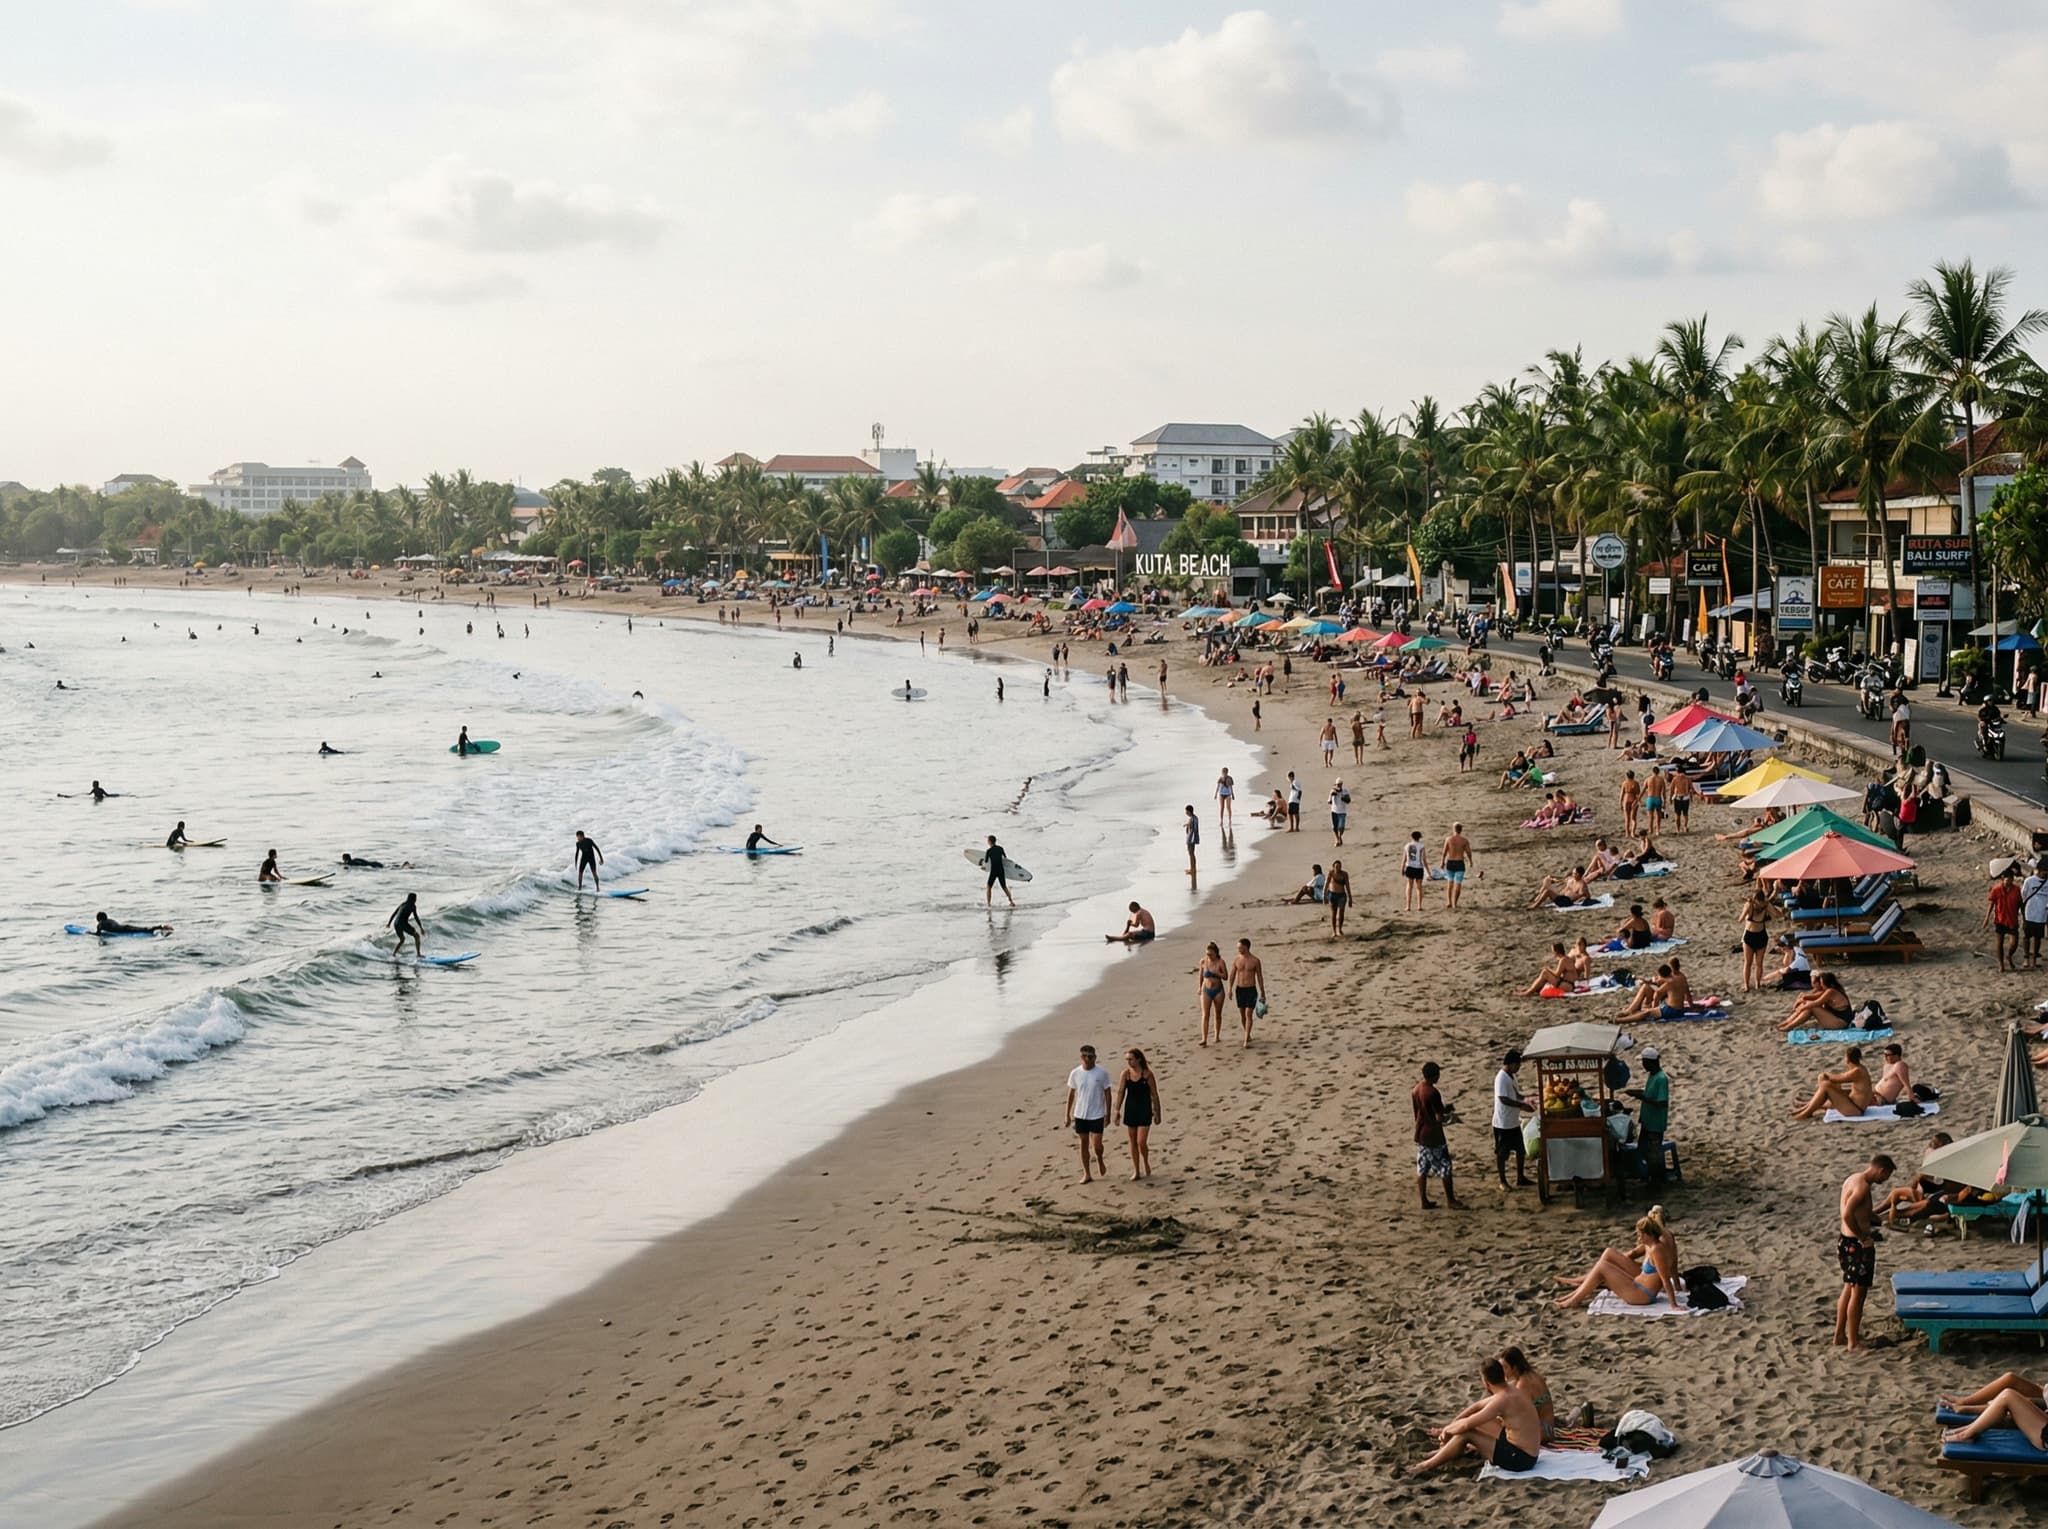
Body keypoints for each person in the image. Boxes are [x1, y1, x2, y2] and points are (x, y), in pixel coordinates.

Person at [1404, 1357, 1542, 1477]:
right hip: (1525, 1449)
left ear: (1485, 1382)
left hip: (1520, 1459)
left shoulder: (1502, 1400)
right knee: (1476, 1422)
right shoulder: (1510, 1390)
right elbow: (1476, 1407)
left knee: (1467, 1433)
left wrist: (1446, 1431)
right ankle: (1444, 1451)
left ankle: (1425, 1465)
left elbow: (1466, 1425)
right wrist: (1448, 1427)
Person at [1553, 1207, 1683, 1309]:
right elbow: (1632, 1254)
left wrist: (1674, 1305)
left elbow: (1665, 1279)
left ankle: (1574, 1299)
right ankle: (1572, 1295)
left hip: (1642, 1295)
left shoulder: (1657, 1249)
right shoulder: (1650, 1245)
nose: (1638, 1238)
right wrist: (1615, 1267)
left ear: (1649, 1233)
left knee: (1603, 1267)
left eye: (1640, 1235)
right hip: (1638, 1284)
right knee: (1605, 1262)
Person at [1837, 1155, 1896, 1349]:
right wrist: (1863, 1237)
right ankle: (1853, 1343)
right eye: (1885, 1177)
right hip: (1857, 1245)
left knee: (1849, 1286)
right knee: (1858, 1293)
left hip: (1845, 1241)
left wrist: (1877, 1219)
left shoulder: (1853, 1178)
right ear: (1881, 1171)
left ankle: (1839, 1336)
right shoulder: (1862, 1187)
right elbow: (1847, 1214)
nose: (1884, 1181)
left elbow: (1860, 1212)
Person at [1412, 1061, 1461, 1210]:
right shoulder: (1433, 1092)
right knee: (1445, 1167)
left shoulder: (1416, 1089)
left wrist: (1444, 1110)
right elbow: (1439, 1117)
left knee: (1422, 1167)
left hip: (1420, 1133)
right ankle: (1451, 1200)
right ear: (1434, 1076)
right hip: (1433, 1135)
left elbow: (1425, 1110)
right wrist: (1452, 1118)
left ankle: (1424, 1200)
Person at [1064, 1045, 1113, 1185]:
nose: (1088, 1059)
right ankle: (1087, 1173)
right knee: (1083, 1143)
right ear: (1081, 1057)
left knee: (1097, 1145)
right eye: (1085, 1056)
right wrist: (1067, 1114)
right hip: (1080, 1114)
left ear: (1095, 1057)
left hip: (1097, 1114)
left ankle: (1099, 1158)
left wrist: (1108, 1114)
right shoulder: (1075, 1073)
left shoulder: (1102, 1073)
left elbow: (1108, 1094)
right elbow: (1071, 1094)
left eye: (1091, 1056)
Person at [1627, 1048, 1670, 1190]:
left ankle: (1657, 1180)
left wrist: (1642, 1097)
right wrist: (1638, 1093)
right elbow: (1650, 1094)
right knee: (1643, 1150)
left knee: (1654, 1153)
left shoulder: (1661, 1078)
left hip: (1655, 1122)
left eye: (1644, 1062)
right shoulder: (1652, 1076)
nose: (1643, 1065)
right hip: (1647, 1121)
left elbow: (1662, 1102)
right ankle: (1652, 1176)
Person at [1792, 1045, 1875, 1120]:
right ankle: (1807, 1107)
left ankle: (1805, 1113)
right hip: (1853, 1104)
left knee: (1825, 1086)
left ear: (1847, 1059)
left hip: (1855, 1110)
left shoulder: (1857, 1071)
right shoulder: (1860, 1068)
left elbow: (1838, 1078)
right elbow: (1839, 1079)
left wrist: (1824, 1075)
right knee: (1829, 1085)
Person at [1114, 1048, 1160, 1181]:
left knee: (1141, 1142)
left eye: (1131, 1059)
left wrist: (1157, 1112)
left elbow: (1154, 1094)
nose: (1129, 1062)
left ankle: (1145, 1161)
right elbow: (1121, 1092)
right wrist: (1117, 1110)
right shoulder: (1126, 1074)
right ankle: (1136, 1170)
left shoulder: (1147, 1075)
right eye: (1127, 1059)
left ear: (1138, 1059)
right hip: (1131, 1110)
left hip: (1144, 1110)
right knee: (1133, 1142)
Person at [1492, 1049, 1534, 1189]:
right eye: (1517, 1065)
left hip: (1513, 1121)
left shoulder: (1511, 1076)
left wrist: (1527, 1100)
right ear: (1510, 1064)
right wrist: (1521, 1105)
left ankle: (1520, 1177)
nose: (1518, 1068)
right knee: (1502, 1153)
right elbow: (1503, 1099)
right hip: (1503, 1123)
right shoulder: (1501, 1078)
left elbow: (1515, 1094)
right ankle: (1502, 1181)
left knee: (1520, 1149)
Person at [1774, 970, 1853, 1033]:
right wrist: (1801, 1002)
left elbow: (1816, 1003)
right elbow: (1809, 997)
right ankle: (1787, 1023)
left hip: (1841, 1023)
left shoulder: (1831, 991)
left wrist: (1800, 1008)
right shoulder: (1830, 990)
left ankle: (1789, 1026)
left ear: (1828, 984)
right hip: (1836, 1019)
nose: (1821, 986)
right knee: (1809, 1005)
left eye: (1822, 984)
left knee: (1812, 1007)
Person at [1985, 863, 2023, 973]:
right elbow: (1991, 903)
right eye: (2007, 880)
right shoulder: (1996, 889)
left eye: (2011, 880)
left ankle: (2009, 956)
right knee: (1999, 943)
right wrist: (1987, 918)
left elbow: (2020, 903)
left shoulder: (2016, 890)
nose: (2009, 882)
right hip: (2000, 919)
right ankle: (2001, 964)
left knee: (2014, 943)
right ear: (2003, 879)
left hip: (2012, 919)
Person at [1229, 938, 1265, 1048]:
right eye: (1238, 947)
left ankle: (1245, 1039)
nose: (1238, 949)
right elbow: (1232, 975)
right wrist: (1230, 989)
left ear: (1246, 947)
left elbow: (1259, 976)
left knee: (1248, 1013)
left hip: (1251, 990)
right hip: (1240, 989)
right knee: (1242, 1014)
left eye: (1240, 947)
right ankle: (1247, 1034)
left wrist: (1262, 992)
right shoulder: (1236, 960)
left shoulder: (1255, 960)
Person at [1739, 886, 1776, 992]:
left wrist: (1769, 906)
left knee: (1758, 963)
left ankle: (1757, 984)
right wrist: (1747, 910)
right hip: (1751, 936)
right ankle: (1747, 984)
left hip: (1760, 935)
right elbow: (1740, 919)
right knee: (1749, 962)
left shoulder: (1765, 905)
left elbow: (1776, 915)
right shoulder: (1750, 905)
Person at [1196, 941, 1230, 1046]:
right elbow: (1201, 976)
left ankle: (1217, 1036)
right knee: (1205, 1014)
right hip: (1206, 989)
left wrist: (1217, 973)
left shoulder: (1221, 962)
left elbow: (1225, 977)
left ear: (1215, 953)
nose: (1209, 956)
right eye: (1207, 954)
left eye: (1210, 954)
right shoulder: (1203, 961)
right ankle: (1204, 1038)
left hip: (1218, 990)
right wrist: (1199, 987)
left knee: (1217, 1013)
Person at [1440, 823, 1473, 909]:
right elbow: (1468, 852)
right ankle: (1455, 903)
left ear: (1453, 829)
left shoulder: (1448, 839)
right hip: (1459, 862)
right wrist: (1470, 861)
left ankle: (1449, 901)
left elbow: (1444, 852)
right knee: (1458, 883)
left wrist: (1442, 861)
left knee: (1450, 882)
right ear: (1461, 830)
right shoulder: (1464, 840)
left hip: (1450, 862)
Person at [2023, 857, 2048, 972]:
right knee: (2027, 937)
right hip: (2029, 913)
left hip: (2041, 915)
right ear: (2039, 870)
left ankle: (2035, 959)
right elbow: (2024, 895)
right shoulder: (2029, 881)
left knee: (2038, 938)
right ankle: (2026, 957)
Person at [385, 891, 424, 960]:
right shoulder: (412, 906)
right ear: (413, 899)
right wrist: (421, 927)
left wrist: (389, 923)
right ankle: (418, 954)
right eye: (415, 898)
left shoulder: (403, 904)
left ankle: (394, 954)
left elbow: (394, 914)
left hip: (396, 924)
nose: (416, 900)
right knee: (417, 936)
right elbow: (416, 917)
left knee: (402, 940)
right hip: (402, 923)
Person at [1400, 830, 1430, 911]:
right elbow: (1424, 860)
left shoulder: (1407, 846)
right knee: (1419, 887)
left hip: (1409, 867)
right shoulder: (1421, 846)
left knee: (1409, 886)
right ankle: (1419, 906)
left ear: (1411, 837)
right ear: (1419, 838)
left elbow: (1404, 859)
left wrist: (1402, 869)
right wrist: (1428, 872)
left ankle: (1408, 906)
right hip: (1419, 868)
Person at [983, 834, 1014, 908]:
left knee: (989, 886)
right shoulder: (1000, 848)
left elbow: (986, 862)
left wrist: (983, 867)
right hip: (1001, 870)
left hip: (994, 870)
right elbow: (1005, 859)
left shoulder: (989, 851)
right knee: (1004, 886)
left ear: (990, 842)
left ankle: (989, 904)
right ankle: (1011, 901)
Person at [1324, 858, 1352, 936]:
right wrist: (1324, 896)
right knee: (1333, 913)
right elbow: (1326, 885)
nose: (1337, 868)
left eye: (1339, 866)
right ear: (1333, 867)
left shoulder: (1344, 874)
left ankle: (1339, 929)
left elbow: (1347, 886)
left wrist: (1350, 898)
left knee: (1341, 913)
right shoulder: (1331, 873)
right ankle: (1334, 931)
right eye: (1336, 866)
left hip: (1342, 895)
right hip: (1332, 895)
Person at [94, 910, 171, 936]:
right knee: (143, 929)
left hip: (123, 930)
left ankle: (160, 926)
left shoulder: (100, 924)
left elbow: (98, 934)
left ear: (100, 918)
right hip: (125, 927)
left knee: (144, 930)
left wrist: (89, 933)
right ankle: (160, 926)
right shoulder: (111, 920)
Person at [1328, 780, 1350, 846]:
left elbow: (1348, 800)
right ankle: (1337, 839)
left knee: (1341, 827)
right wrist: (1332, 795)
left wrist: (1344, 798)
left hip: (1342, 811)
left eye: (1340, 784)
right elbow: (1329, 802)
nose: (1338, 786)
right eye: (1337, 785)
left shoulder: (1345, 791)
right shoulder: (1332, 791)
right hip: (1334, 811)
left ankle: (1340, 837)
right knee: (1335, 827)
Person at [1183, 804, 1200, 885]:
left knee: (1191, 854)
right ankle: (1193, 868)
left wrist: (1188, 825)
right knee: (1192, 854)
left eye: (1186, 811)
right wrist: (1187, 824)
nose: (1185, 812)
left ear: (1189, 811)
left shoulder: (1192, 819)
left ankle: (1192, 869)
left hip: (1191, 838)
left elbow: (1192, 828)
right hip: (1192, 837)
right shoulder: (1194, 818)